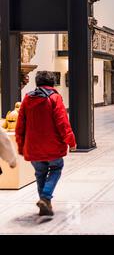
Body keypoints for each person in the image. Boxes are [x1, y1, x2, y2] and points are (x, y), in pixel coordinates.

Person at [15, 71, 77, 217]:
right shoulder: (55, 98)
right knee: (56, 168)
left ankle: (45, 204)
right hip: (53, 147)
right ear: (52, 83)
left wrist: (20, 145)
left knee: (40, 174)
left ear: (37, 83)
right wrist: (71, 142)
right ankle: (45, 197)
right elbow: (63, 123)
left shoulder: (27, 99)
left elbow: (20, 126)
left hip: (33, 147)